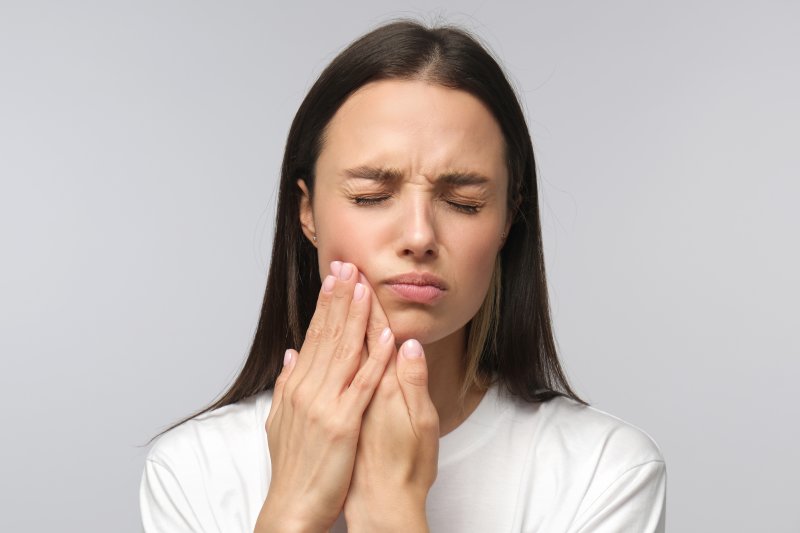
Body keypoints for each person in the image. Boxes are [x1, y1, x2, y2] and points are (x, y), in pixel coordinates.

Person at [140, 19, 666, 532]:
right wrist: (291, 515)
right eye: (371, 196)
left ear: (507, 220)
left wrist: (391, 510)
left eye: (464, 202)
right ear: (307, 214)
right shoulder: (194, 470)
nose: (419, 235)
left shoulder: (606, 472)